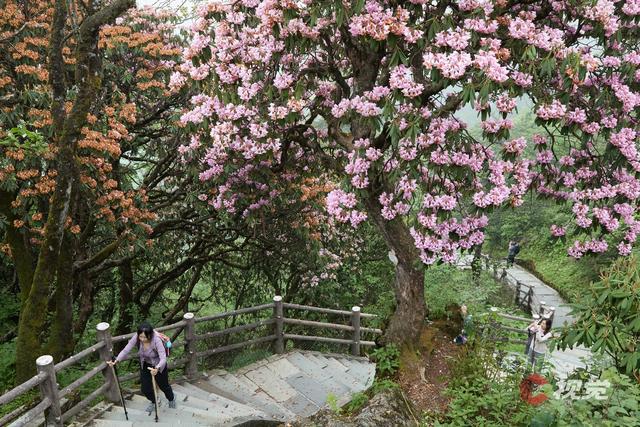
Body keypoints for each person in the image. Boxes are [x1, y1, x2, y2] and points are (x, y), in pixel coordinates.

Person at [107, 322, 176, 413]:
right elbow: (127, 349)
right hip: (145, 364)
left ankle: (171, 399)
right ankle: (155, 401)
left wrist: (157, 368)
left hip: (158, 365)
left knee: (164, 386)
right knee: (145, 389)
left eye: (145, 337)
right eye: (140, 337)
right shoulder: (137, 336)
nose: (142, 339)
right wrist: (117, 360)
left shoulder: (156, 340)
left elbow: (163, 358)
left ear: (150, 335)